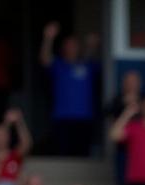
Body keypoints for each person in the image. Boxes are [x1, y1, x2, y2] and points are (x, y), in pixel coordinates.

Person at [39, 22, 100, 157]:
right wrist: (48, 38)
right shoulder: (59, 65)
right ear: (63, 48)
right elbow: (44, 59)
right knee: (63, 153)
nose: (72, 47)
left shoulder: (87, 65)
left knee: (83, 154)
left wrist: (92, 44)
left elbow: (92, 54)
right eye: (68, 45)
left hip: (84, 116)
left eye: (74, 45)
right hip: (62, 116)